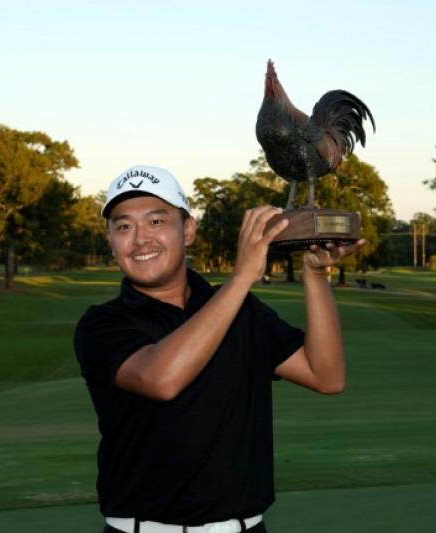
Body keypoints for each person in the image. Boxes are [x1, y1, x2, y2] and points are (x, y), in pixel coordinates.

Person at [74, 164, 364, 533]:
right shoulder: (102, 324)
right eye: (124, 226)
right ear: (111, 240)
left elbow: (326, 376)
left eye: (156, 222)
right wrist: (243, 276)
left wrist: (314, 273)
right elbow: (162, 379)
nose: (140, 239)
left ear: (189, 230)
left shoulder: (243, 311)